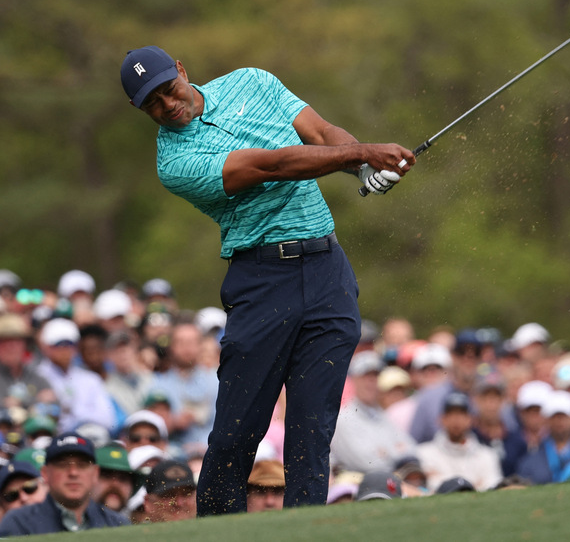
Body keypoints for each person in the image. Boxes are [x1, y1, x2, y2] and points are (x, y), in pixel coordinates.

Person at [120, 45, 414, 515]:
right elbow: (271, 166)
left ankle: (304, 529)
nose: (166, 105)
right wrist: (360, 154)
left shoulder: (253, 81)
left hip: (327, 271)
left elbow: (319, 132)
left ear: (181, 69)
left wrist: (360, 164)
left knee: (313, 427)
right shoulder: (174, 163)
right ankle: (218, 528)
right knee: (239, 429)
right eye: (151, 103)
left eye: (168, 89)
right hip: (261, 281)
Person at [0, 432, 129, 535]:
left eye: (82, 465)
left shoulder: (118, 524)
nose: (73, 473)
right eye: (62, 465)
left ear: (95, 473)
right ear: (45, 473)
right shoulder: (18, 523)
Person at [330, 351, 416, 474]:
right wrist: (395, 453)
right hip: (360, 488)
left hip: (389, 481)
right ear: (353, 379)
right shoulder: (343, 419)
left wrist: (384, 453)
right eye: (365, 375)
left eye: (375, 375)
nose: (371, 381)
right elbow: (367, 464)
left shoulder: (383, 414)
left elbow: (411, 451)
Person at [35, 318, 117, 432]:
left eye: (69, 344)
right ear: (46, 347)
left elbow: (108, 420)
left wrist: (73, 412)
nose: (65, 350)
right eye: (59, 345)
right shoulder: (36, 376)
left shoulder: (90, 379)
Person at [415, 392, 503, 491]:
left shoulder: (487, 456)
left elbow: (492, 487)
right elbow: (425, 488)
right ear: (441, 419)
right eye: (451, 414)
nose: (456, 419)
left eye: (461, 414)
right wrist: (474, 485)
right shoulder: (422, 454)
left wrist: (441, 479)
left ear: (470, 419)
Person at [149, 323, 217, 449]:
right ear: (171, 347)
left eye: (191, 342)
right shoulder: (157, 385)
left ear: (200, 346)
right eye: (181, 342)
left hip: (210, 449)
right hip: (173, 450)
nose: (187, 348)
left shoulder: (216, 382)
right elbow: (151, 429)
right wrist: (173, 423)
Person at [0, 313, 53, 412]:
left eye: (16, 341)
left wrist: (17, 403)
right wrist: (37, 401)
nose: (11, 347)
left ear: (25, 345)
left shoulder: (36, 377)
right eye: (4, 341)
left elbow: (54, 403)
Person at [516, 390, 570, 485]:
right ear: (546, 420)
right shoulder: (529, 461)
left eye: (564, 416)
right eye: (554, 417)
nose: (559, 421)